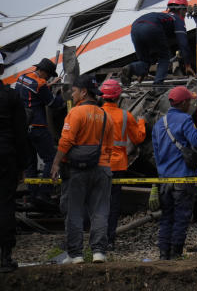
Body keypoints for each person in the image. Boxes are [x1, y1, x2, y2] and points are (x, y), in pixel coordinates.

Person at [50, 74, 115, 264]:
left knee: (74, 211)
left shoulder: (76, 113)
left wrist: (55, 163)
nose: (73, 94)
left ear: (84, 92)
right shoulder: (106, 116)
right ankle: (99, 252)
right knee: (100, 211)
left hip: (77, 170)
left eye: (75, 91)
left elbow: (66, 141)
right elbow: (110, 147)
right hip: (102, 168)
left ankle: (76, 254)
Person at [152, 85, 197, 260]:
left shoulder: (159, 124)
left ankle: (164, 254)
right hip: (183, 178)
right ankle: (176, 254)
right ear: (184, 103)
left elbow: (156, 154)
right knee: (181, 218)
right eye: (189, 101)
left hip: (165, 179)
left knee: (166, 218)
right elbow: (195, 140)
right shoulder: (185, 120)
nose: (190, 105)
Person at [100, 78, 147, 250]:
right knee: (113, 204)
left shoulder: (96, 114)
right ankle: (109, 240)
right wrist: (142, 121)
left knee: (98, 202)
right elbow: (139, 138)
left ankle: (96, 239)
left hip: (99, 164)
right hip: (117, 166)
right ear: (118, 96)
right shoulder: (125, 116)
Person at [15, 57, 64, 207]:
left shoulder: (22, 78)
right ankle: (45, 193)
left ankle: (33, 195)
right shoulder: (41, 84)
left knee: (31, 162)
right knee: (51, 158)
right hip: (38, 126)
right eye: (48, 75)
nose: (48, 78)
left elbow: (33, 95)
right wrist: (64, 97)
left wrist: (49, 85)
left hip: (24, 126)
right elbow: (52, 103)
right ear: (43, 71)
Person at [123, 0, 195, 85]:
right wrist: (187, 65)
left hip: (135, 28)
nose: (185, 14)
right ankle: (158, 86)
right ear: (181, 9)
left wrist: (143, 72)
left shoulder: (163, 16)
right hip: (151, 27)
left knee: (145, 61)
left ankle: (132, 68)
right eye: (185, 11)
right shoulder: (177, 19)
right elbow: (183, 43)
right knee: (164, 58)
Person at [0, 78, 29, 272]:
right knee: (5, 203)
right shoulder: (11, 96)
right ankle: (5, 258)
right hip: (5, 156)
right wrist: (22, 165)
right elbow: (21, 133)